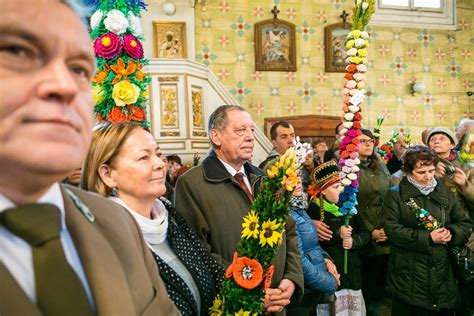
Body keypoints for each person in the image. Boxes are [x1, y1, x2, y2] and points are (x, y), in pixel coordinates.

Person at [0, 1, 178, 315]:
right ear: (106, 173)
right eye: (18, 51)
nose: (65, 86)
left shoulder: (116, 222)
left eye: (80, 69)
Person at [82, 122, 224, 316]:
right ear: (108, 174)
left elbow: (210, 267)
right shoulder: (104, 238)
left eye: (158, 154)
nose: (159, 163)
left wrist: (252, 295)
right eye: (143, 157)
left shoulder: (168, 213)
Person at [175, 105, 303, 314]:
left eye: (251, 130)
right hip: (232, 305)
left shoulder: (264, 179)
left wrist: (292, 278)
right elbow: (196, 252)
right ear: (216, 136)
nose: (251, 137)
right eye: (240, 130)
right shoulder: (192, 184)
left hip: (277, 301)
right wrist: (250, 292)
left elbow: (289, 231)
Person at [383, 145, 471, 315]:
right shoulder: (396, 195)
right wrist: (428, 238)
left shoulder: (444, 192)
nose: (428, 177)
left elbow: (464, 223)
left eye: (431, 171)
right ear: (409, 172)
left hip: (443, 271)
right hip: (408, 273)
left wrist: (451, 233)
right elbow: (392, 230)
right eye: (421, 172)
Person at [307, 161, 371, 313]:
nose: (341, 190)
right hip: (330, 273)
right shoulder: (314, 211)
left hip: (352, 275)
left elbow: (366, 233)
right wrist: (338, 232)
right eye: (335, 187)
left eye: (341, 185)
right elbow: (314, 242)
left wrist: (354, 241)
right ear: (322, 191)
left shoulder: (348, 206)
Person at [427, 127, 474, 315]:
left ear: (452, 144)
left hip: (463, 232)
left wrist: (465, 185)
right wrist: (432, 178)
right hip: (433, 230)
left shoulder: (467, 167)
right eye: (433, 139)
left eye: (442, 138)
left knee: (464, 278)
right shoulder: (422, 164)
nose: (437, 141)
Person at [287, 177, 339, 316]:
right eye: (290, 179)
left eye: (298, 179)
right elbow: (298, 259)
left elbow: (312, 244)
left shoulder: (298, 207)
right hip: (301, 292)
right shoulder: (287, 214)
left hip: (312, 290)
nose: (298, 183)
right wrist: (330, 282)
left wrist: (326, 259)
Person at [356, 129, 392, 312]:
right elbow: (353, 206)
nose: (368, 144)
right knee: (366, 289)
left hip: (385, 233)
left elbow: (390, 198)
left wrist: (387, 228)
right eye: (362, 141)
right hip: (363, 236)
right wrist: (371, 231)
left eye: (370, 140)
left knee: (382, 291)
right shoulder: (348, 167)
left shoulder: (381, 165)